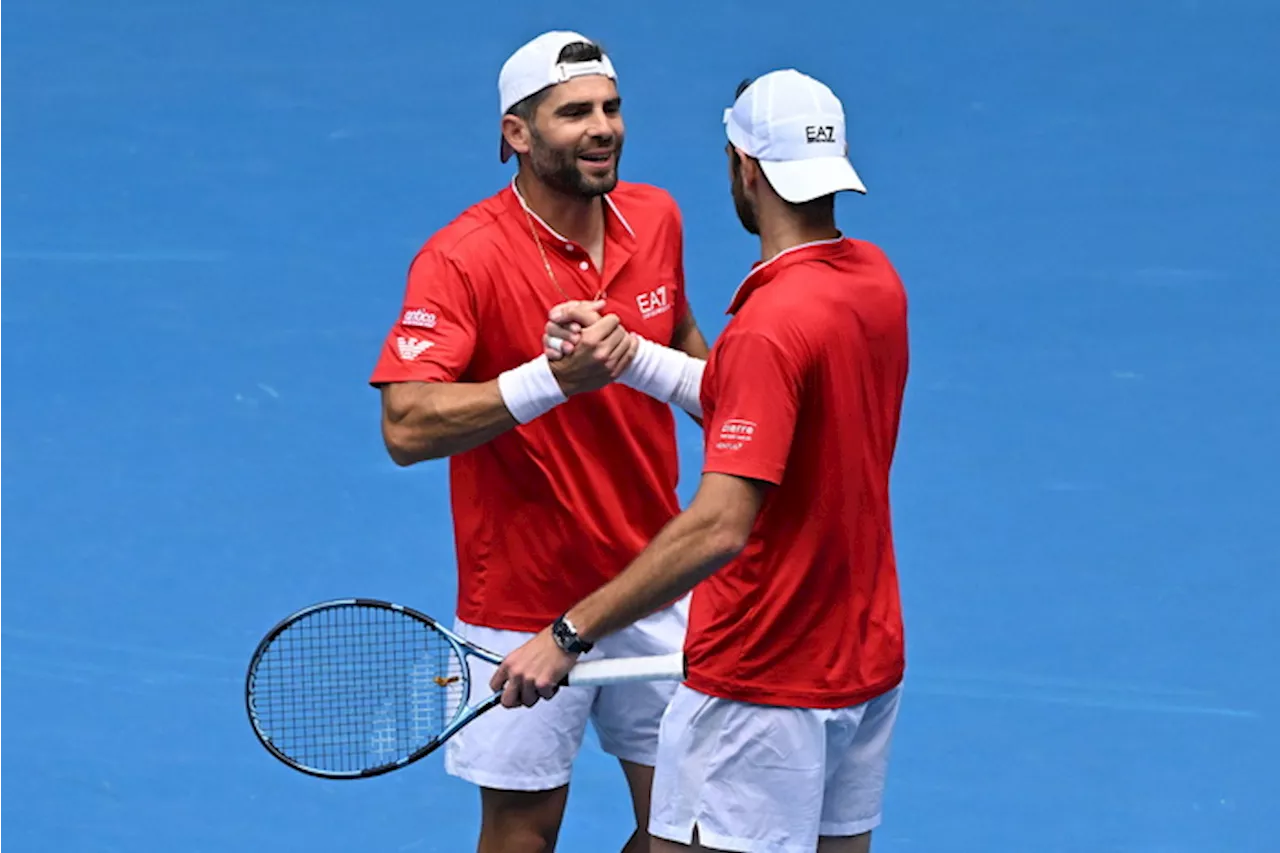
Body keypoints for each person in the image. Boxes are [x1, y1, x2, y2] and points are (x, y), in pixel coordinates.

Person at [493, 68, 911, 853]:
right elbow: (766, 399)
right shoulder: (875, 283)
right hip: (862, 662)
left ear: (743, 168)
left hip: (761, 678)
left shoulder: (767, 325)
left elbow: (720, 525)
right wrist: (633, 357)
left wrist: (568, 632)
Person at [367, 30, 710, 853]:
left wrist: (745, 412)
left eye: (611, 107)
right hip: (522, 599)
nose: (603, 128)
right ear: (517, 134)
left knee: (699, 832)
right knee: (524, 832)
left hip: (651, 577)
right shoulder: (461, 258)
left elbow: (686, 335)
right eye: (575, 113)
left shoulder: (656, 216)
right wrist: (553, 379)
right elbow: (406, 426)